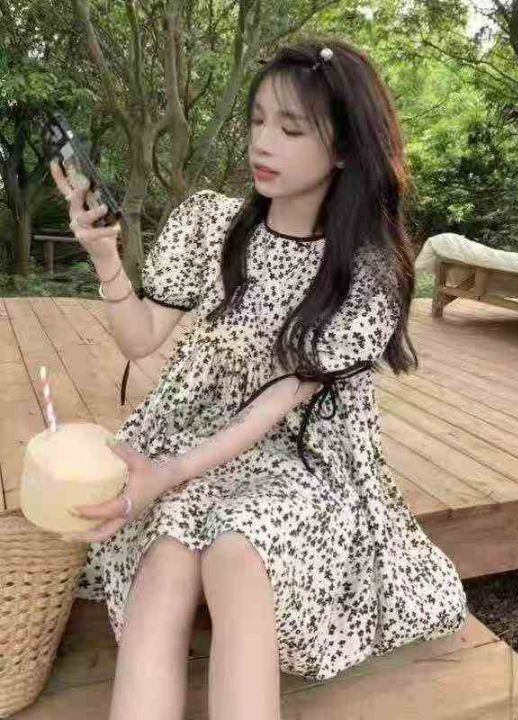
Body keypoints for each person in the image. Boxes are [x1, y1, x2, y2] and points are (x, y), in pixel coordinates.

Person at [50, 37, 468, 720]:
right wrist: (105, 258)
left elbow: (276, 404)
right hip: (194, 431)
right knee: (165, 560)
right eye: (257, 120)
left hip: (299, 455)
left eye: (291, 128)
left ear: (344, 150)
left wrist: (169, 473)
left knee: (237, 553)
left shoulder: (365, 270)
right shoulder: (212, 224)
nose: (262, 142)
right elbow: (141, 337)